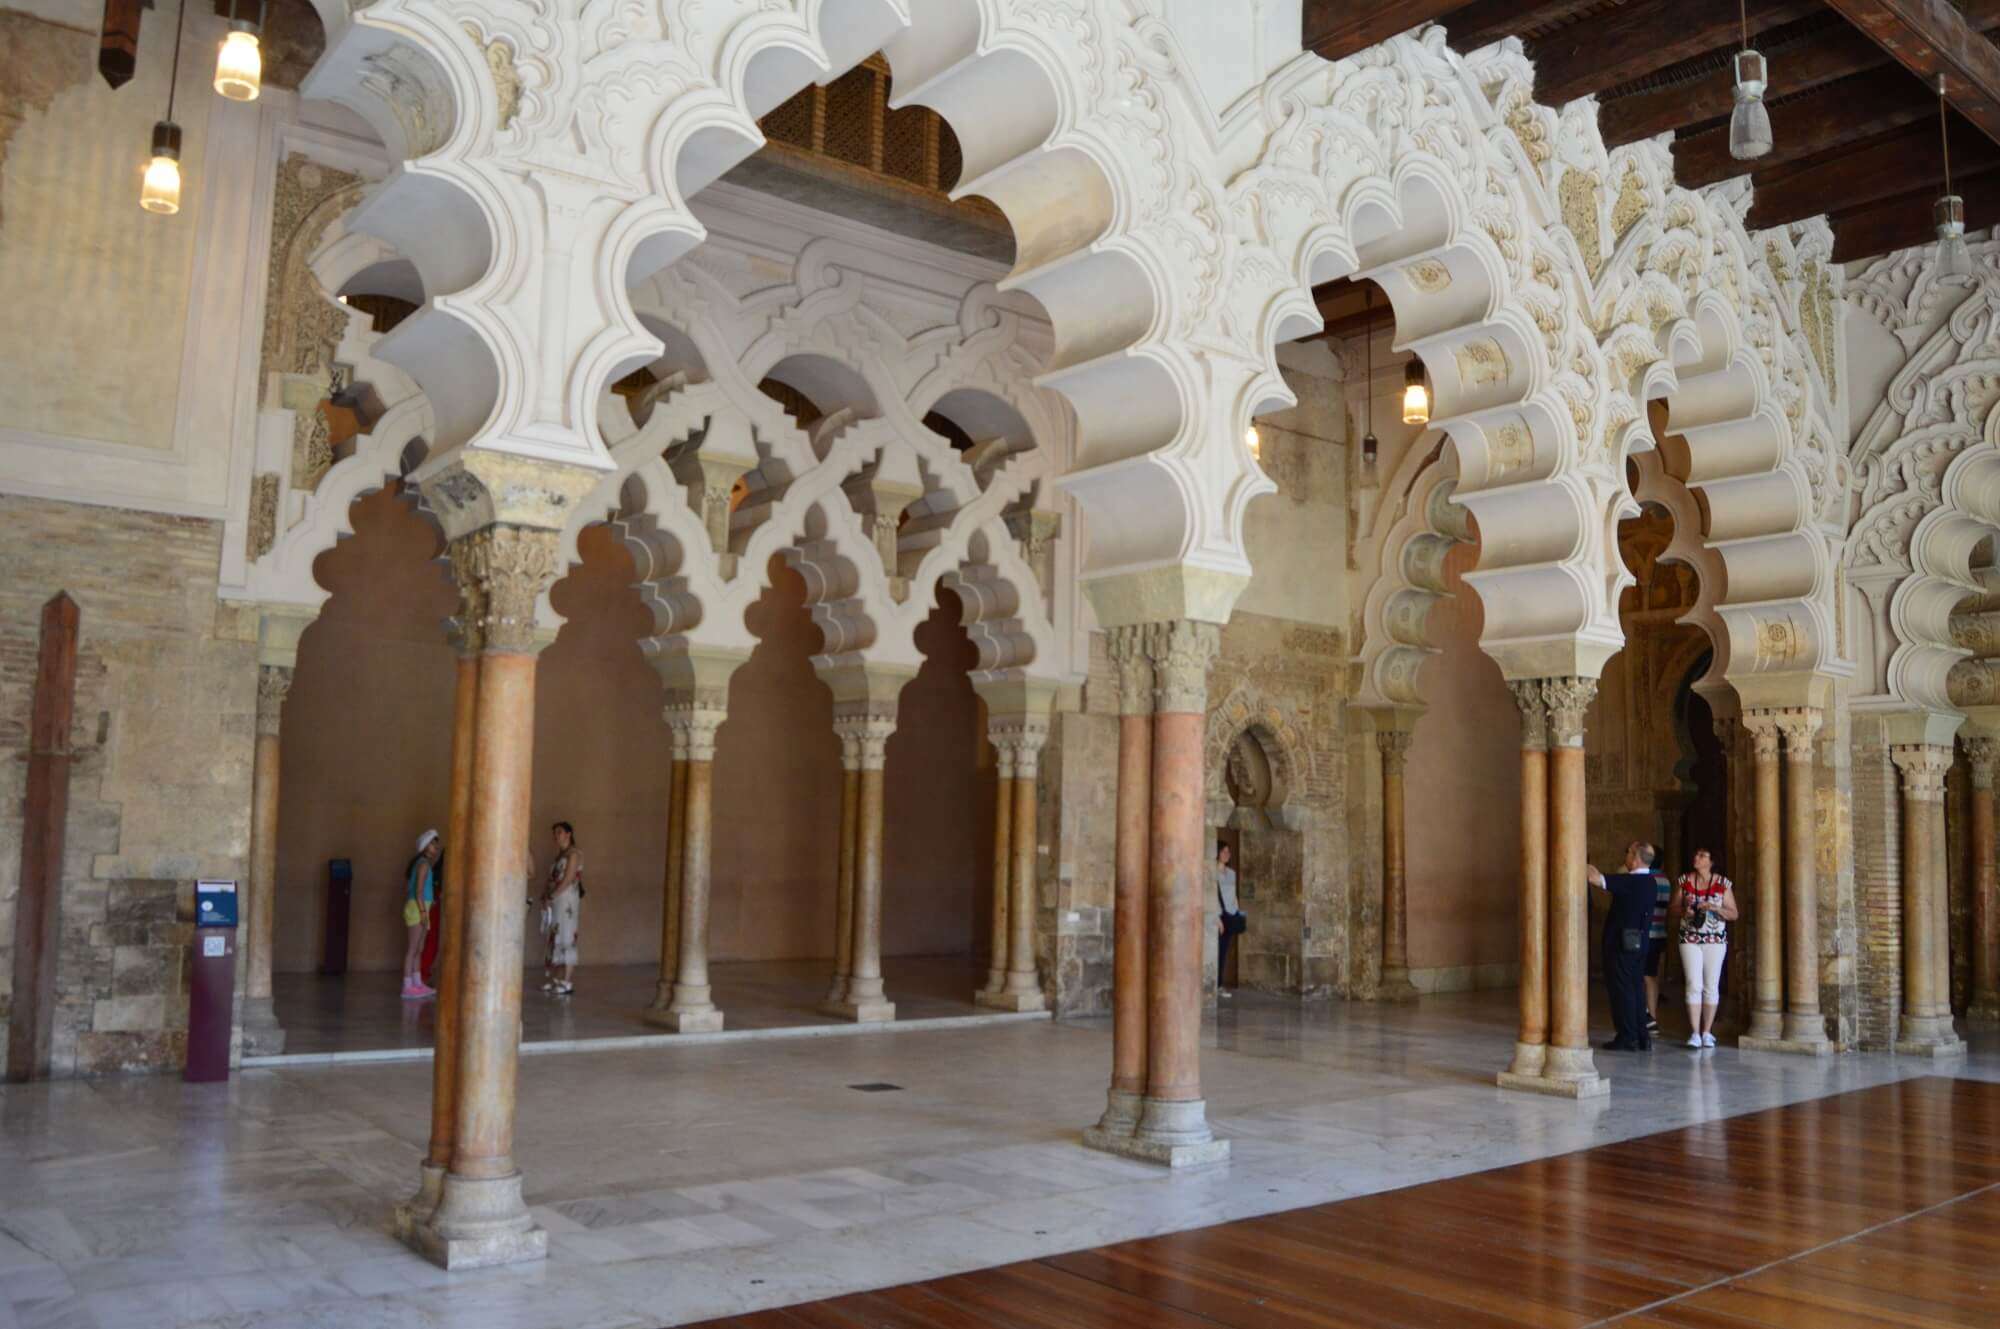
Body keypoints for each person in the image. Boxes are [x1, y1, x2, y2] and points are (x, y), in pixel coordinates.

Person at [1587, 842, 1662, 1050]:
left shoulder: (1631, 882)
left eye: (1628, 852)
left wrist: (1580, 859)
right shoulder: (1650, 882)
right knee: (1636, 989)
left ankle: (1627, 1036)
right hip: (1640, 944)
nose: (1626, 856)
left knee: (1622, 990)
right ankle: (1641, 1036)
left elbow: (1595, 878)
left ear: (1636, 858)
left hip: (1622, 945)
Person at [1671, 848, 1738, 1049]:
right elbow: (1673, 909)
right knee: (1693, 983)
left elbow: (1734, 913)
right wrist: (1685, 910)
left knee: (1711, 984)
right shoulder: (1684, 882)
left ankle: (1707, 1032)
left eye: (1702, 856)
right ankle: (1694, 1033)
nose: (1696, 858)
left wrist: (1716, 908)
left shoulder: (1722, 884)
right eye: (1696, 855)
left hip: (1715, 940)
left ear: (1711, 862)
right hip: (1689, 938)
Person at [540, 821, 584, 996]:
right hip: (556, 900)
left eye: (559, 832)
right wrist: (545, 895)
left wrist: (552, 895)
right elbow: (551, 878)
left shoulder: (574, 854)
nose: (556, 836)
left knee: (566, 934)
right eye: (555, 833)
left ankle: (567, 981)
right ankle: (557, 978)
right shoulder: (559, 855)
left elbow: (568, 878)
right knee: (555, 935)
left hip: (566, 901)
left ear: (568, 834)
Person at [401, 829, 441, 1000]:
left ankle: (418, 984)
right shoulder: (423, 864)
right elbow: (418, 892)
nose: (435, 848)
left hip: (420, 907)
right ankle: (407, 986)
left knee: (419, 949)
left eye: (436, 845)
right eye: (433, 845)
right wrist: (424, 914)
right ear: (425, 847)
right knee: (413, 949)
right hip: (418, 908)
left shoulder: (422, 864)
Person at [1644, 862, 1673, 1038]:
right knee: (1651, 976)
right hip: (1659, 932)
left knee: (1646, 977)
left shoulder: (1648, 879)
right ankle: (1651, 1017)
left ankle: (1649, 1018)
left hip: (1648, 934)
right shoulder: (1665, 880)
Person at [1213, 842, 1246, 999]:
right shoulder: (1212, 872)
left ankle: (1219, 984)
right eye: (1223, 851)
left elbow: (1233, 895)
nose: (1226, 854)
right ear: (1217, 853)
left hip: (1231, 916)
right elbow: (1212, 896)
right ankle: (1215, 984)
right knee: (1216, 952)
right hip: (1219, 917)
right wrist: (1217, 918)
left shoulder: (1231, 873)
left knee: (1224, 951)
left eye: (1228, 852)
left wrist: (1238, 913)